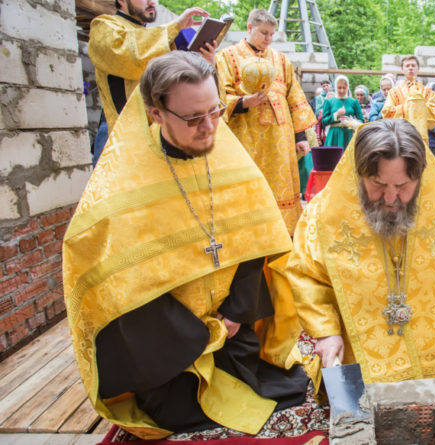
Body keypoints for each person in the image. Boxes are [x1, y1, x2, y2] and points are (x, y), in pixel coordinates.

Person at [63, 52, 308, 439]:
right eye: (194, 118)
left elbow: (257, 243)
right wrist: (194, 334)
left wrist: (234, 314)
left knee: (287, 387)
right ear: (155, 113)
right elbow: (123, 285)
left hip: (229, 325)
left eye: (214, 110)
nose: (210, 127)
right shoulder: (122, 185)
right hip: (168, 341)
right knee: (177, 411)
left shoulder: (231, 160)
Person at [286, 119, 435, 385]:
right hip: (358, 360)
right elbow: (306, 275)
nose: (390, 198)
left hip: (434, 362)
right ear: (359, 173)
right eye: (378, 185)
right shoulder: (323, 214)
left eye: (403, 186)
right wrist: (325, 332)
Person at [216, 9, 316, 234]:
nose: (268, 39)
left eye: (271, 35)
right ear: (249, 28)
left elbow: (294, 97)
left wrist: (300, 137)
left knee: (281, 188)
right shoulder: (228, 56)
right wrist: (242, 102)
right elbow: (219, 96)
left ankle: (282, 233)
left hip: (280, 141)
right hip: (246, 137)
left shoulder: (281, 59)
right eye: (263, 33)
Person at [88, 0, 213, 136]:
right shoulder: (104, 27)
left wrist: (206, 62)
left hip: (160, 131)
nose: (152, 2)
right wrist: (175, 27)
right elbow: (132, 57)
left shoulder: (156, 38)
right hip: (125, 133)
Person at [381, 56, 435, 148]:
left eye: (413, 65)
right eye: (407, 66)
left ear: (418, 68)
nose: (410, 68)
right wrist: (406, 108)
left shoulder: (428, 92)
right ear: (402, 69)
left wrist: (420, 107)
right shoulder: (394, 92)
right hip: (400, 135)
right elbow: (386, 112)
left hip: (421, 137)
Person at [321, 75, 364, 148]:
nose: (342, 90)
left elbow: (361, 121)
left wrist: (351, 121)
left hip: (348, 135)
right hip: (334, 135)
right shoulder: (329, 101)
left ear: (347, 88)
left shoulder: (353, 102)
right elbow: (323, 122)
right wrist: (335, 115)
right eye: (339, 88)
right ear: (335, 87)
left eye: (344, 88)